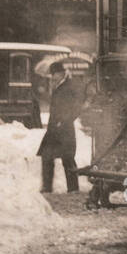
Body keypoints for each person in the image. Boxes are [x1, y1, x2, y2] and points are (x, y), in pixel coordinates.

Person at [38, 61, 85, 193]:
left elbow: (76, 108)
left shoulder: (69, 86)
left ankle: (73, 188)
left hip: (65, 129)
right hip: (54, 129)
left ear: (61, 73)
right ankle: (47, 187)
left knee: (68, 158)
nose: (52, 77)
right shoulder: (58, 86)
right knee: (47, 156)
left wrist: (64, 120)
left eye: (54, 74)